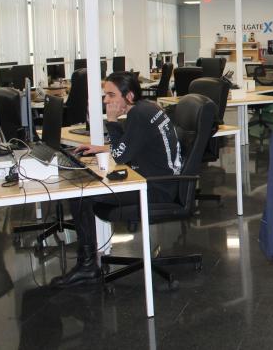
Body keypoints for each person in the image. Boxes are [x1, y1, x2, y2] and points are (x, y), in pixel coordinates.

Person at [50, 72, 182, 288]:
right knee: (88, 189)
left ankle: (87, 267)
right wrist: (101, 148)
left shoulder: (138, 115)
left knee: (81, 194)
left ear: (129, 96)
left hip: (155, 188)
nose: (106, 100)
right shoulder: (146, 108)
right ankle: (88, 264)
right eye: (105, 95)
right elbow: (131, 145)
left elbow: (121, 156)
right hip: (163, 181)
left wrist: (111, 120)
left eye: (111, 95)